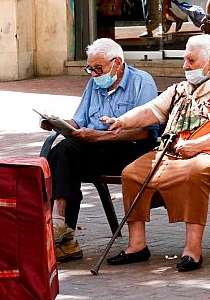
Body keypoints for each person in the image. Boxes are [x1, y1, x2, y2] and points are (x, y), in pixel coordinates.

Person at [101, 34, 210, 271]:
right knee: (131, 173)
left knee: (193, 173)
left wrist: (198, 145)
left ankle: (192, 250)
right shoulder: (179, 89)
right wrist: (122, 121)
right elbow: (151, 111)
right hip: (174, 151)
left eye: (191, 61)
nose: (185, 66)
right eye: (184, 60)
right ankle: (137, 245)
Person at [43, 38, 159, 262]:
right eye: (91, 69)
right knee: (60, 153)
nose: (94, 74)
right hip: (95, 146)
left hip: (128, 148)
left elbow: (146, 131)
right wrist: (58, 123)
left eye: (98, 69)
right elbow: (80, 120)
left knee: (66, 156)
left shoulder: (141, 82)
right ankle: (60, 225)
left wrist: (101, 136)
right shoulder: (95, 84)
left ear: (117, 63)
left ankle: (61, 230)